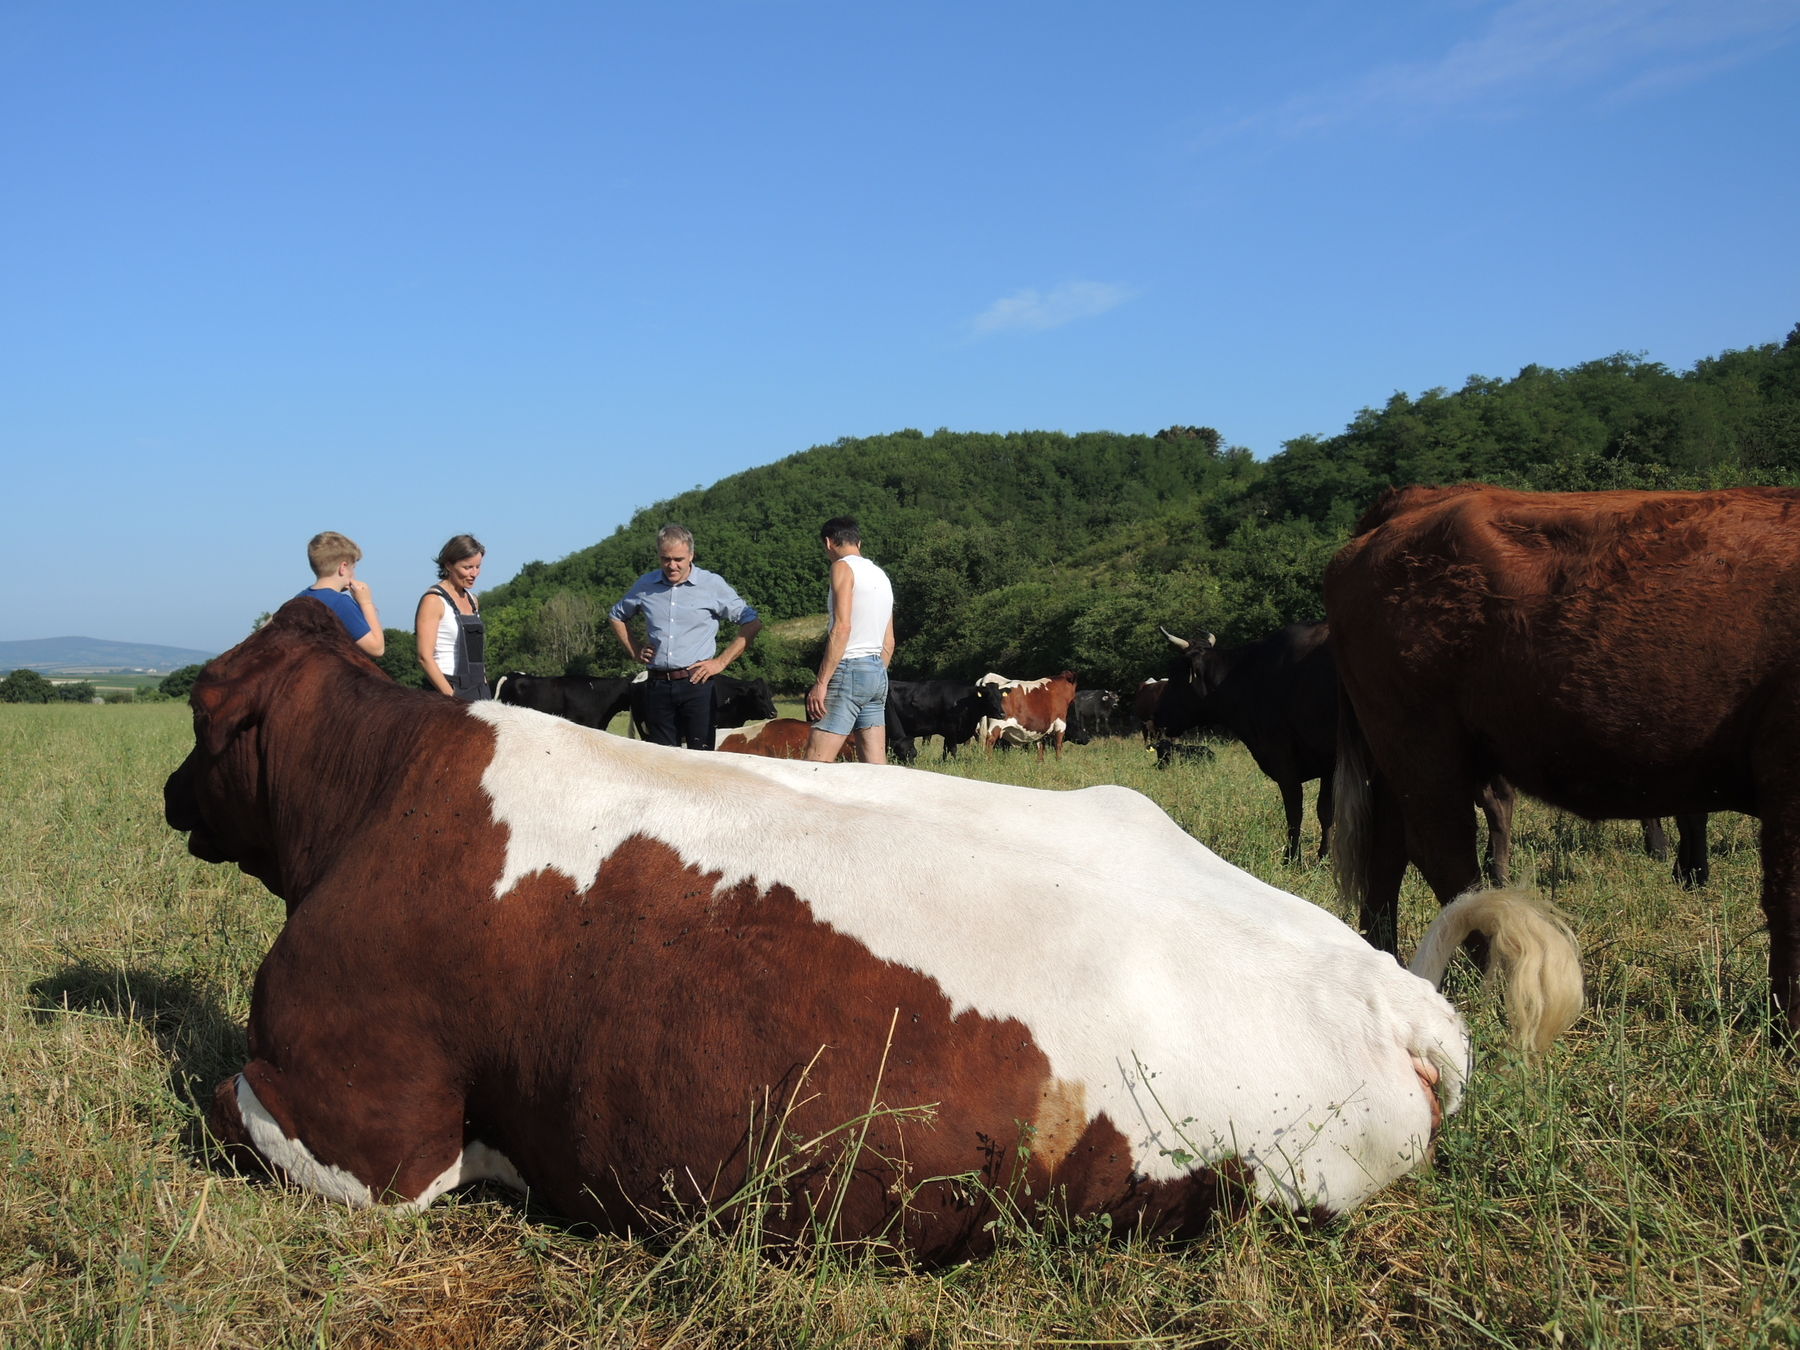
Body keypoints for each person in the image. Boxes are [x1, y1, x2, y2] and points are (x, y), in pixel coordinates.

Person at [609, 524, 762, 749]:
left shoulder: (712, 584)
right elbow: (616, 615)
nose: (672, 565)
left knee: (701, 757)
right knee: (662, 759)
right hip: (657, 685)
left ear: (691, 555)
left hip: (697, 684)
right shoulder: (646, 585)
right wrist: (635, 649)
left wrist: (720, 662)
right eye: (665, 559)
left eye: (678, 559)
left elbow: (752, 622)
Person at [805, 517, 895, 763]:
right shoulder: (881, 576)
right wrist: (874, 674)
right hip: (877, 673)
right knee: (875, 769)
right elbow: (889, 641)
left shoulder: (842, 568)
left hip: (849, 668)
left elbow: (842, 627)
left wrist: (822, 682)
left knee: (815, 763)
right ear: (859, 541)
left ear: (828, 543)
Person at [416, 534, 490, 700]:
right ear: (448, 565)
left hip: (479, 689)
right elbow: (424, 657)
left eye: (478, 566)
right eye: (468, 567)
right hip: (449, 690)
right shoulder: (433, 600)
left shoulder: (473, 600)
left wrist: (483, 683)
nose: (474, 573)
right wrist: (451, 696)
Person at [298, 531, 384, 657]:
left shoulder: (300, 598)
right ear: (343, 567)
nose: (354, 574)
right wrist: (366, 603)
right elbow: (377, 649)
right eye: (353, 568)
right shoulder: (340, 603)